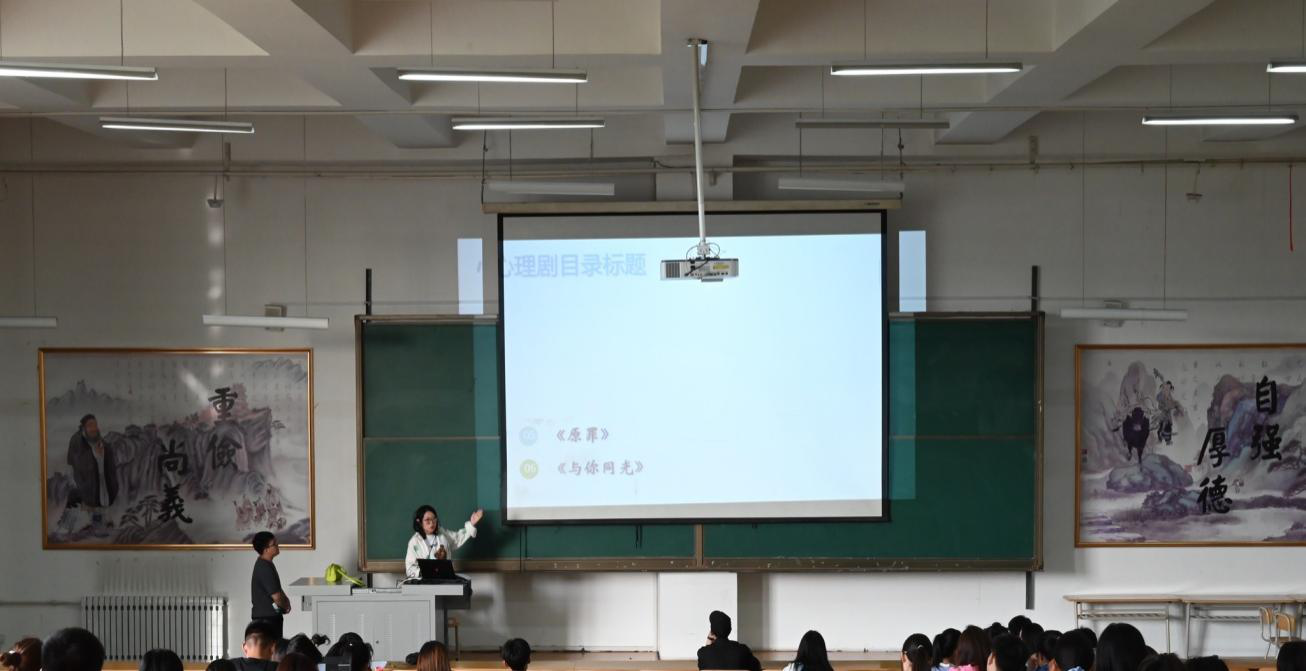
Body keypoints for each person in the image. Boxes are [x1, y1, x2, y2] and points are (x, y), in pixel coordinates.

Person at [405, 504, 484, 579]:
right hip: (424, 583)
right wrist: (425, 572)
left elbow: (457, 538)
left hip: (445, 580)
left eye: (434, 519)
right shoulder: (414, 542)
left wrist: (471, 524)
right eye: (427, 520)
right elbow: (410, 569)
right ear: (419, 522)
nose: (432, 523)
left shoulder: (442, 534)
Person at [68, 415, 118, 523]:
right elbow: (75, 463)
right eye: (90, 425)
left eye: (95, 425)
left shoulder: (102, 442)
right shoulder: (76, 441)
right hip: (84, 484)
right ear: (83, 428)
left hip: (102, 482)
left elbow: (110, 466)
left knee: (103, 505)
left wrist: (102, 454)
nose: (94, 428)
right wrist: (93, 454)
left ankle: (103, 522)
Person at [251, 531, 290, 641]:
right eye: (274, 544)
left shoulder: (265, 564)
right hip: (267, 619)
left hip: (266, 618)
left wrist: (286, 601)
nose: (277, 545)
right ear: (266, 549)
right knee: (272, 650)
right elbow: (277, 597)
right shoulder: (265, 567)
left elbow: (276, 588)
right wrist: (285, 606)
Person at [697, 611, 762, 671]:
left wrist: (709, 641)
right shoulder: (743, 650)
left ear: (712, 632)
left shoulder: (703, 653)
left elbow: (702, 667)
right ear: (730, 629)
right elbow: (757, 667)